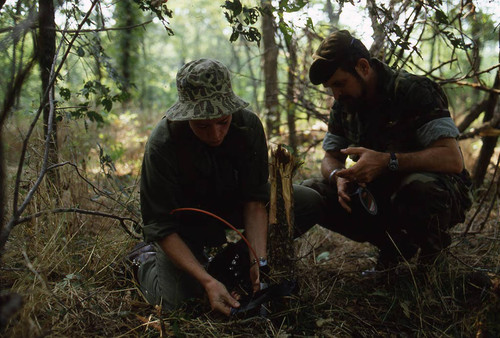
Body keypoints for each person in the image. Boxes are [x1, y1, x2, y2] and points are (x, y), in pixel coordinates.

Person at [136, 58, 323, 316]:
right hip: (184, 223)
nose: (215, 134)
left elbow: (255, 200)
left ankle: (232, 263)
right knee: (179, 304)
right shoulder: (163, 144)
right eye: (202, 125)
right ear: (186, 116)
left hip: (231, 207)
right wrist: (207, 282)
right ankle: (145, 261)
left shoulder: (248, 126)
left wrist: (258, 260)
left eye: (223, 122)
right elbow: (161, 226)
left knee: (308, 202)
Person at [305, 30, 472, 269]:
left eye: (340, 83)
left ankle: (431, 264)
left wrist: (387, 161)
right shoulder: (344, 104)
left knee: (418, 187)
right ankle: (395, 247)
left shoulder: (414, 91)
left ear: (363, 67)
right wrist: (336, 177)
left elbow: (452, 159)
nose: (336, 94)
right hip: (379, 196)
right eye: (330, 87)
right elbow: (330, 157)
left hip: (433, 194)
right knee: (312, 192)